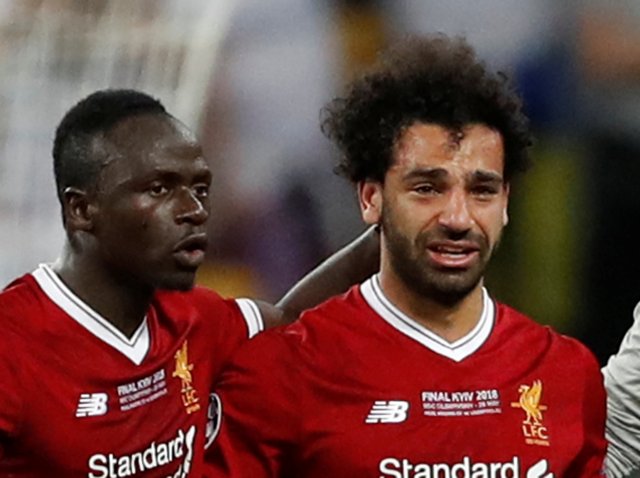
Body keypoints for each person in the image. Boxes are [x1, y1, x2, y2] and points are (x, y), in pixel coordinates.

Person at [207, 35, 607, 477]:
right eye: (427, 188)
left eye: (481, 191)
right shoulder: (282, 373)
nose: (458, 217)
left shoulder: (566, 373)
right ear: (370, 198)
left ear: (507, 202)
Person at [0, 89, 378, 477]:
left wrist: (387, 233)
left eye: (199, 189)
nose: (194, 211)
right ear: (81, 210)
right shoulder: (12, 345)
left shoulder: (195, 318)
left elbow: (288, 316)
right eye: (159, 189)